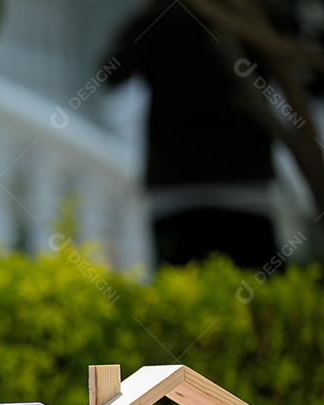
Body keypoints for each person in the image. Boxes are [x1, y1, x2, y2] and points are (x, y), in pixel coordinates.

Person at [107, 0, 279, 267]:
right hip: (244, 183)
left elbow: (112, 73)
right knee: (258, 297)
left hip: (178, 187)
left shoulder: (158, 19)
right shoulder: (248, 17)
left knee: (185, 297)